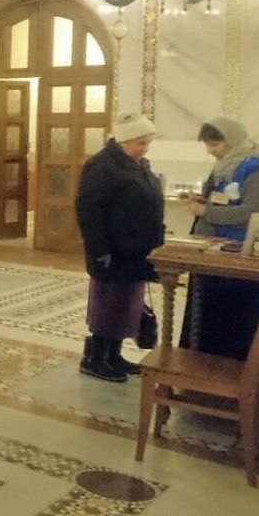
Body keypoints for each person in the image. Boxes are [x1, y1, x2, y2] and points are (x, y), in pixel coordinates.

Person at [74, 113, 164, 382]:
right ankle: (94, 359)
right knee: (109, 305)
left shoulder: (139, 164)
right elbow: (88, 209)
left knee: (128, 305)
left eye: (147, 142)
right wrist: (101, 249)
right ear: (124, 141)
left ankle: (113, 355)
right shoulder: (101, 165)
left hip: (137, 252)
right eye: (140, 143)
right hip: (112, 251)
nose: (145, 148)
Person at [180, 117, 259, 359]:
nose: (211, 151)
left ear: (232, 140)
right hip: (212, 251)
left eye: (215, 145)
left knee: (231, 322)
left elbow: (252, 213)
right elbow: (220, 199)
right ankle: (197, 366)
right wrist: (200, 200)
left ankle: (230, 374)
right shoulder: (224, 166)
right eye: (208, 145)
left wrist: (207, 211)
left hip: (237, 256)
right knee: (204, 311)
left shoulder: (257, 169)